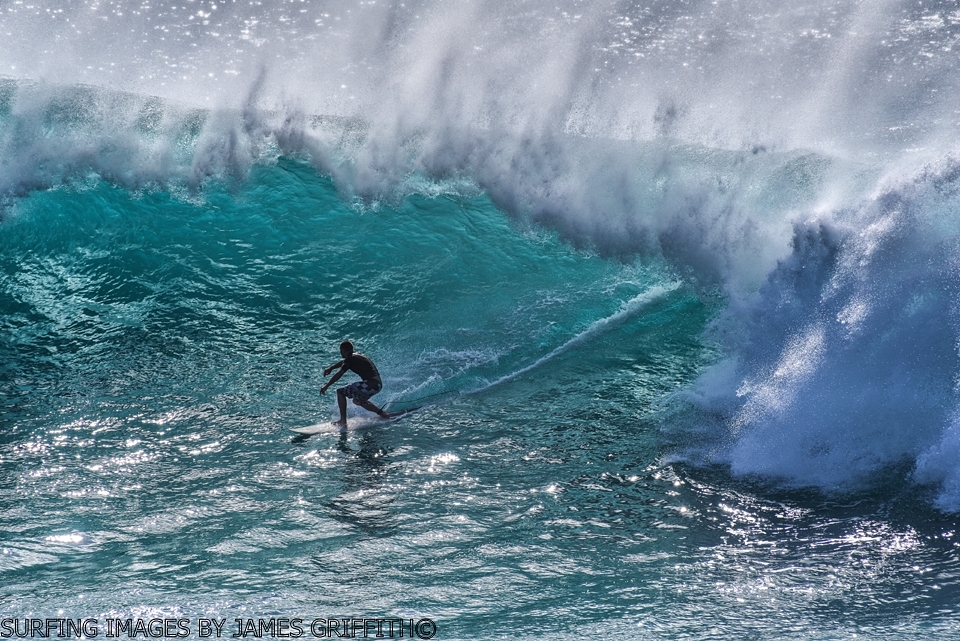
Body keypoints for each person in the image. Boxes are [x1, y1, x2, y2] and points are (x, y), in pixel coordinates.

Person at [320, 340, 390, 426]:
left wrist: (327, 385)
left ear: (344, 350)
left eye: (341, 350)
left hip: (370, 384)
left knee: (340, 392)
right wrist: (331, 368)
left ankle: (343, 421)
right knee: (357, 400)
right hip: (377, 385)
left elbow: (339, 373)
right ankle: (381, 413)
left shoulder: (350, 359)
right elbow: (343, 362)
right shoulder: (356, 356)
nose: (340, 352)